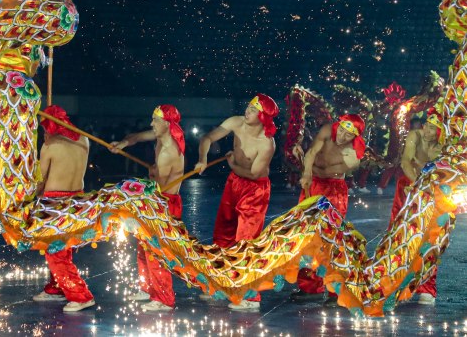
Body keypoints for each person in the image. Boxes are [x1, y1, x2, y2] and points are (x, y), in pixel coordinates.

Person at [195, 94, 278, 311]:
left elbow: (253, 174)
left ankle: (250, 297)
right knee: (222, 234)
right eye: (248, 106)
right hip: (234, 183)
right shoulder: (235, 122)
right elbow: (207, 139)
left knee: (246, 242)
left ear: (262, 117)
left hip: (255, 190)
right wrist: (203, 159)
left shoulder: (266, 143)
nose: (247, 111)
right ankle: (222, 285)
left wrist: (231, 164)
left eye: (253, 109)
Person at [112, 105, 186, 311]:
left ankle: (164, 298)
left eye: (155, 120)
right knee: (144, 248)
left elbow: (157, 186)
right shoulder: (160, 137)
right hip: (157, 199)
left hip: (164, 203)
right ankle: (147, 288)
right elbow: (136, 137)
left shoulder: (169, 151)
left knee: (157, 251)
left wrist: (150, 175)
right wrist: (123, 144)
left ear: (167, 124)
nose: (152, 123)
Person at [25, 105, 95, 312]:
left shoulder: (50, 146)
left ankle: (81, 296)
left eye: (45, 128)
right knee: (64, 250)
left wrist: (29, 197)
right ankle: (56, 287)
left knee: (55, 253)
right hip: (77, 200)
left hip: (55, 202)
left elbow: (40, 180)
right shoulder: (85, 140)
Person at [292, 114, 365, 300]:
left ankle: (334, 289)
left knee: (330, 239)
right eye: (341, 129)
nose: (341, 136)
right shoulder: (326, 130)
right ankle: (309, 287)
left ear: (354, 137)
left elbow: (342, 168)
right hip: (313, 183)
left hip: (334, 190)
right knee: (307, 237)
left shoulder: (354, 153)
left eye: (348, 135)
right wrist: (307, 173)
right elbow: (311, 154)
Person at [390, 113, 442, 305]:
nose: (427, 131)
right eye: (427, 125)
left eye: (433, 129)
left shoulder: (445, 145)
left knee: (430, 237)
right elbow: (406, 162)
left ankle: (426, 287)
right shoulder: (415, 135)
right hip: (408, 186)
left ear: (441, 132)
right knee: (400, 235)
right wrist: (417, 183)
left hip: (432, 190)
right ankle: (394, 284)